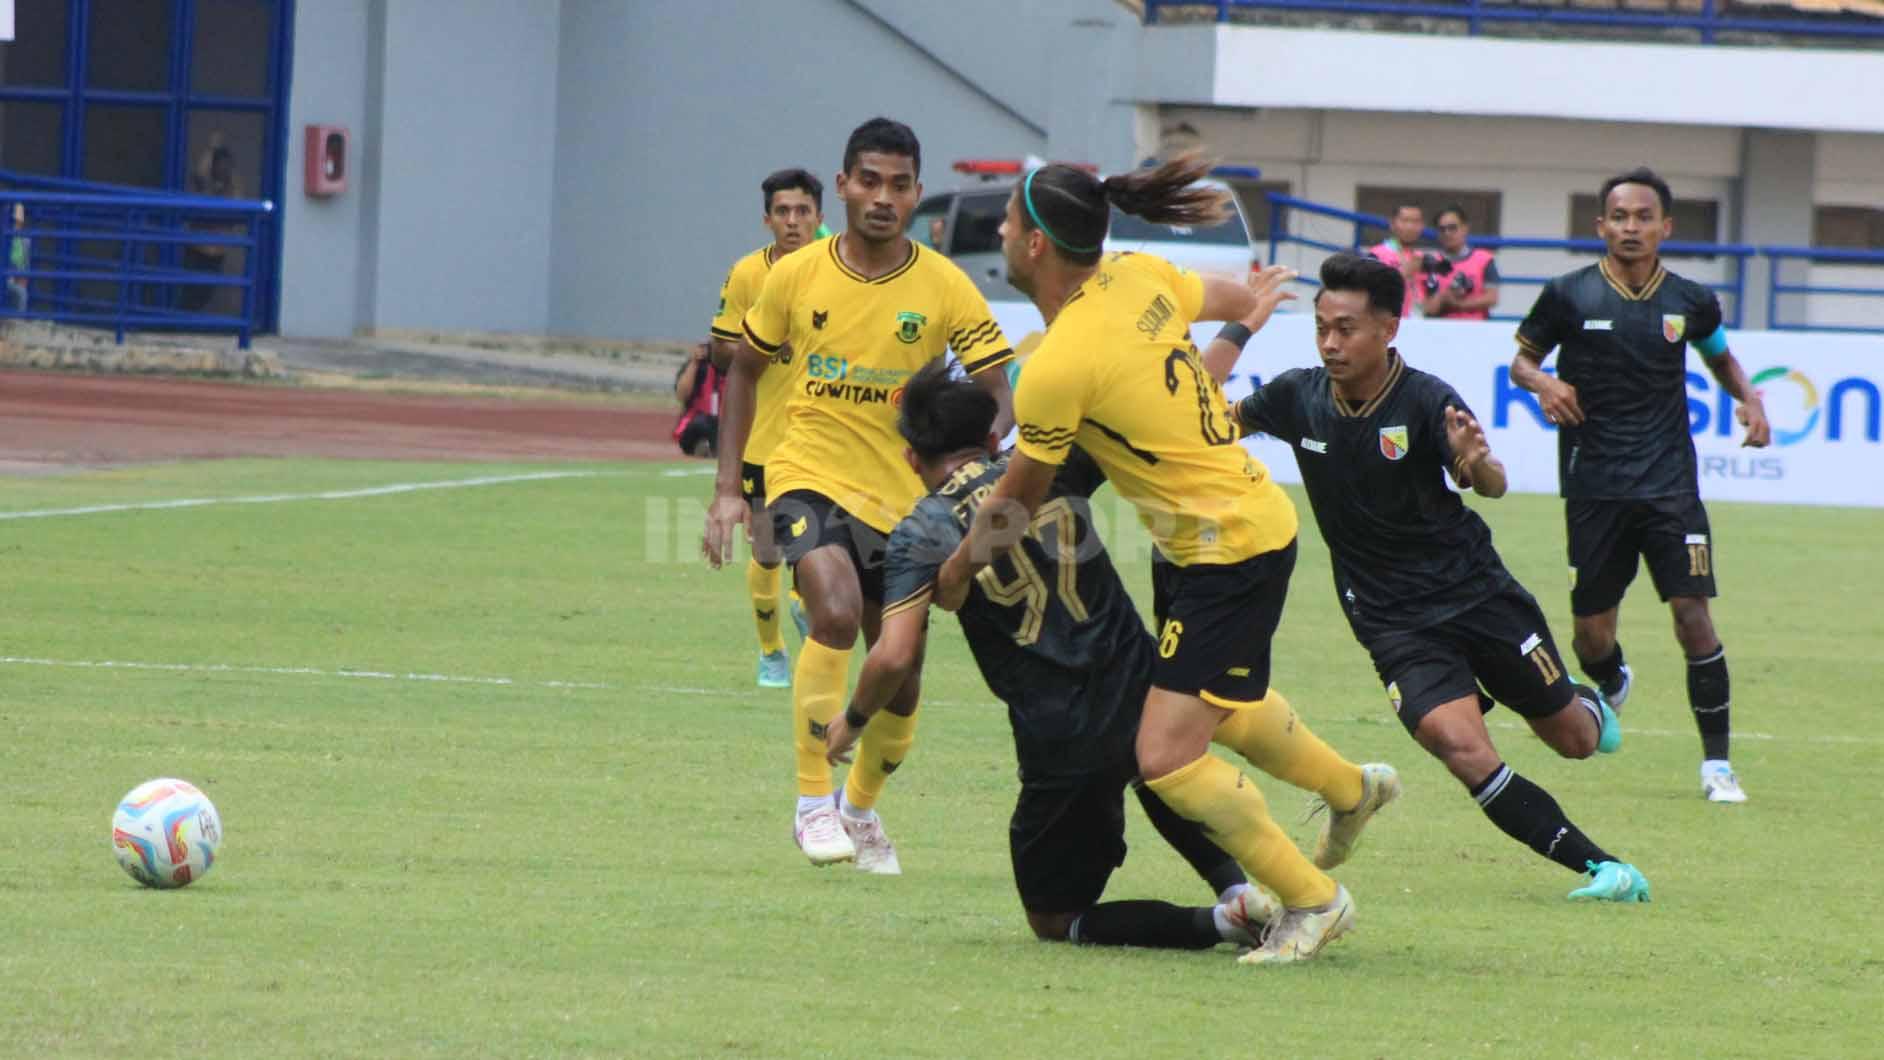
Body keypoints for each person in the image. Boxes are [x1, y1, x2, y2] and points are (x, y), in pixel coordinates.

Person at [935, 157, 1396, 966]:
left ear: (1037, 245)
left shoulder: (1057, 364)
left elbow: (1013, 504)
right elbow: (1221, 298)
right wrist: (1247, 314)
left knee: (1165, 757)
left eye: (1009, 221)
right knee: (1212, 704)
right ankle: (1352, 790)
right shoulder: (1137, 275)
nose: (1002, 232)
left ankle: (1314, 900)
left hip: (1232, 548)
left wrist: (957, 571)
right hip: (1208, 540)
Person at [1232, 253, 1647, 902]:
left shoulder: (1426, 401)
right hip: (1390, 619)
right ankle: (1604, 869)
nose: (1331, 344)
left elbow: (1492, 483)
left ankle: (1585, 701)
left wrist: (1475, 462)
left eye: (1347, 329)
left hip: (1476, 595)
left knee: (1574, 740)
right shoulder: (1295, 396)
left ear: (1388, 330)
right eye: (1322, 329)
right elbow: (1215, 426)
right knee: (1460, 748)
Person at [825, 361, 1276, 952]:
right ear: (990, 440)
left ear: (911, 458)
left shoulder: (921, 530)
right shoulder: (1043, 469)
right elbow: (1152, 410)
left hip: (1058, 732)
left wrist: (851, 722)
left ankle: (1221, 922)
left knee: (1054, 918)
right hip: (1142, 682)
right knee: (1155, 767)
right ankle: (1237, 890)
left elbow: (893, 656)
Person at [701, 117, 1016, 873]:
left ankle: (860, 809)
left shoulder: (943, 285)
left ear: (916, 194)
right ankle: (812, 802)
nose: (883, 197)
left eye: (899, 184)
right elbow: (740, 370)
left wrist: (971, 458)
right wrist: (728, 490)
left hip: (904, 501)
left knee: (901, 678)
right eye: (868, 181)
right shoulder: (796, 274)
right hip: (804, 473)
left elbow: (998, 393)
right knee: (835, 612)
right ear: (842, 185)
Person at [1511, 167, 1770, 804]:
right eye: (1619, 217)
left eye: (1643, 217)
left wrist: (1750, 398)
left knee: (1693, 619)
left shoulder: (1690, 301)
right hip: (1594, 485)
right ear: (1600, 226)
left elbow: (1718, 356)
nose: (1631, 227)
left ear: (1665, 227)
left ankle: (1717, 767)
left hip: (1669, 484)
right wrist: (1546, 384)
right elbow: (1521, 361)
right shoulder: (1568, 294)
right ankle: (1612, 675)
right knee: (1589, 637)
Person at [708, 167, 825, 688]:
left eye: (803, 211)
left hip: (820, 439)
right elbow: (719, 351)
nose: (793, 221)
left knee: (816, 545)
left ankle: (808, 612)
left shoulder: (837, 272)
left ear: (820, 216)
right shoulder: (748, 275)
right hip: (760, 435)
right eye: (783, 212)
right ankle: (771, 651)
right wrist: (766, 345)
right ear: (767, 219)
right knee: (765, 550)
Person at [182, 133, 242, 314]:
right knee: (190, 292)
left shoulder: (231, 189)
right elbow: (200, 174)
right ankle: (178, 326)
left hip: (216, 253)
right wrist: (211, 148)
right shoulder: (205, 185)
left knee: (205, 293)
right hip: (196, 249)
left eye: (226, 165)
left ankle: (189, 324)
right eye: (219, 163)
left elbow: (238, 204)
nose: (223, 168)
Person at [1418, 204, 1500, 320]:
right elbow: (1426, 309)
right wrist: (1444, 297)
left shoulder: (1484, 259)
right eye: (1442, 229)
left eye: (1452, 228)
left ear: (1465, 228)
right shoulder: (1428, 263)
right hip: (1439, 330)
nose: (1447, 233)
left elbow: (1492, 298)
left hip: (1476, 330)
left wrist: (1458, 304)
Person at [1367, 201, 1424, 318]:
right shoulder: (1376, 254)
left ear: (1422, 226)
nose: (1410, 226)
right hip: (1386, 324)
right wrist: (1404, 273)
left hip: (1418, 325)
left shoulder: (1423, 257)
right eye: (1405, 220)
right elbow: (1369, 293)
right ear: (1392, 224)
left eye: (1415, 222)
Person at [672, 342, 721, 457]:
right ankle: (704, 447)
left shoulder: (738, 362)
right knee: (698, 425)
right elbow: (681, 395)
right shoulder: (701, 363)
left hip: (729, 421)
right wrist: (694, 363)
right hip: (700, 420)